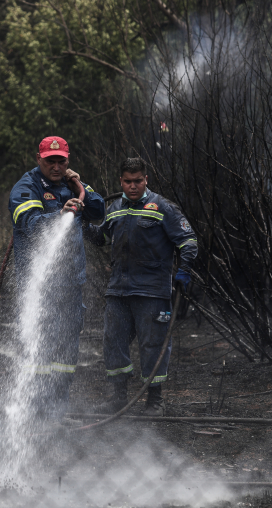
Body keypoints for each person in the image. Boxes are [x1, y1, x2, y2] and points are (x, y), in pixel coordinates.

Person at [90, 157, 197, 416]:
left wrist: (183, 270)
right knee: (113, 342)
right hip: (118, 290)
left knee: (154, 345)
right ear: (121, 181)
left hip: (152, 291)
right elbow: (100, 238)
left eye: (138, 181)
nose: (133, 186)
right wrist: (84, 219)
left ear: (146, 179)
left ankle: (154, 401)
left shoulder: (163, 207)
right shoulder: (114, 208)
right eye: (127, 181)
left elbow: (188, 240)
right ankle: (119, 398)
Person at [8, 136, 105, 418]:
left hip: (70, 282)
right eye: (50, 161)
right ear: (38, 159)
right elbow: (29, 224)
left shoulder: (72, 185)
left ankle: (56, 404)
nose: (56, 166)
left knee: (65, 345)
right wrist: (58, 215)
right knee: (39, 343)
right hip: (39, 285)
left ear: (68, 160)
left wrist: (78, 185)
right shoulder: (26, 187)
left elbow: (97, 211)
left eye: (61, 160)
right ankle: (32, 404)